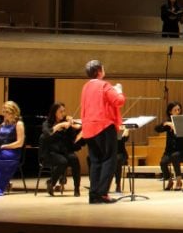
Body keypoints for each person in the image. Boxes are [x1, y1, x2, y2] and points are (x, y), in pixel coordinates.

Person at [79, 59, 125, 204]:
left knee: (96, 161)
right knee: (109, 160)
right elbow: (119, 101)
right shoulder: (104, 85)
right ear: (99, 71)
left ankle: (94, 194)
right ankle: (102, 193)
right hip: (104, 126)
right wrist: (119, 91)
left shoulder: (86, 87)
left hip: (88, 128)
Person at [40, 102, 83, 197]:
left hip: (64, 151)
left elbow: (74, 137)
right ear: (54, 112)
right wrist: (60, 125)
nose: (63, 114)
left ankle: (77, 189)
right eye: (60, 111)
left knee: (74, 159)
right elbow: (47, 133)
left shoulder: (66, 123)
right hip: (50, 153)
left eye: (64, 111)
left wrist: (75, 127)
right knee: (63, 161)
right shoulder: (47, 123)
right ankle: (52, 183)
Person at [155, 102, 183, 191]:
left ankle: (179, 180)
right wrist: (166, 123)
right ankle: (170, 180)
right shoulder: (169, 123)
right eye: (175, 110)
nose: (178, 112)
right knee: (163, 162)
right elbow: (157, 129)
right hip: (170, 152)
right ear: (170, 112)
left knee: (175, 157)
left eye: (179, 109)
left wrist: (176, 128)